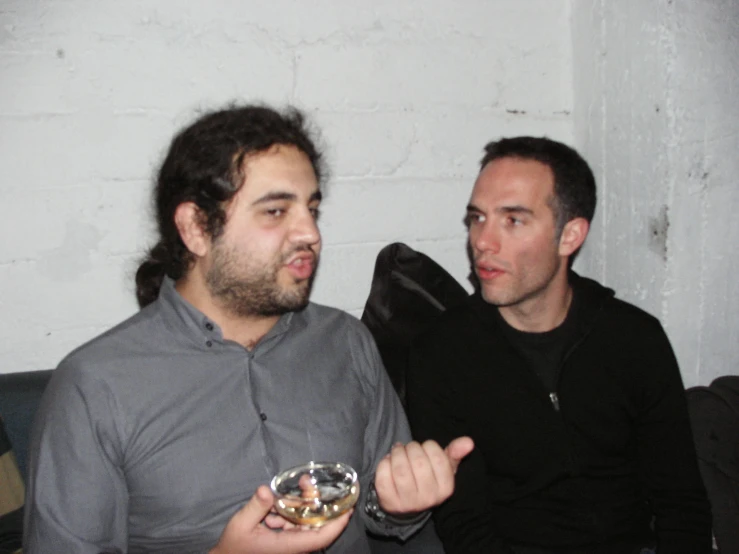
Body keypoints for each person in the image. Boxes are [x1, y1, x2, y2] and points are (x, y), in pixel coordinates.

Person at [24, 104, 473, 554]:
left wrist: (401, 504)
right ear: (196, 228)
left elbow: (380, 508)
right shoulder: (95, 386)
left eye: (311, 209)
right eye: (276, 211)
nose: (310, 233)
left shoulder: (345, 342)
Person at [405, 136, 712, 554]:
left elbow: (682, 503)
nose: (482, 242)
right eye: (478, 218)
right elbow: (465, 527)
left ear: (570, 236)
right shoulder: (442, 352)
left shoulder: (634, 339)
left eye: (513, 220)